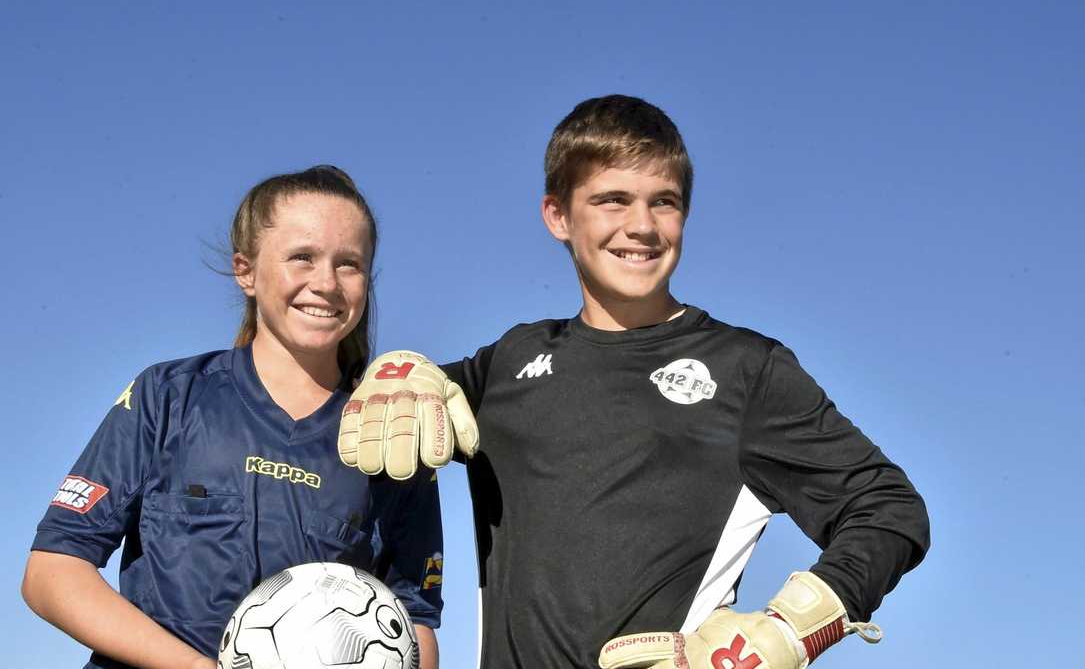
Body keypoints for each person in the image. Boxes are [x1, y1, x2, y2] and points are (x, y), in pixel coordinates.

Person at [342, 96, 930, 669]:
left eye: (664, 202)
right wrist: (397, 369)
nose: (642, 227)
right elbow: (415, 394)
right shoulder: (513, 359)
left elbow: (890, 509)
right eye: (613, 200)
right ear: (558, 216)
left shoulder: (745, 369)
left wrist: (789, 632)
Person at [24, 166, 444, 669]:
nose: (326, 283)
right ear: (246, 270)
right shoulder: (169, 396)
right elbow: (52, 572)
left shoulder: (388, 431)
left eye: (349, 263)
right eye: (302, 257)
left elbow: (413, 622)